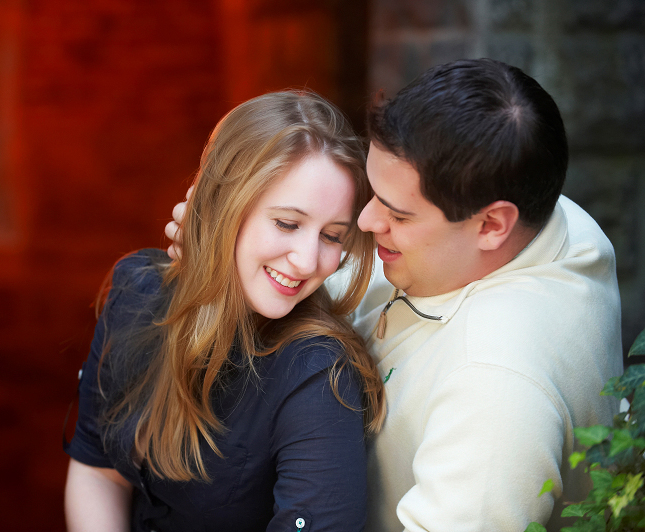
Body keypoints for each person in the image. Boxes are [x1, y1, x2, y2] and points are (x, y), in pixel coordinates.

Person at [165, 59, 623, 531]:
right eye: (374, 191)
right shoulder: (539, 214)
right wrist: (231, 249)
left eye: (398, 215)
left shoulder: (498, 394)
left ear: (491, 225)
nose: (365, 222)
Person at [64, 90, 386, 532]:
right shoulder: (137, 291)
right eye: (287, 224)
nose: (309, 262)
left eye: (332, 236)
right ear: (223, 205)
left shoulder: (318, 374)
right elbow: (97, 471)